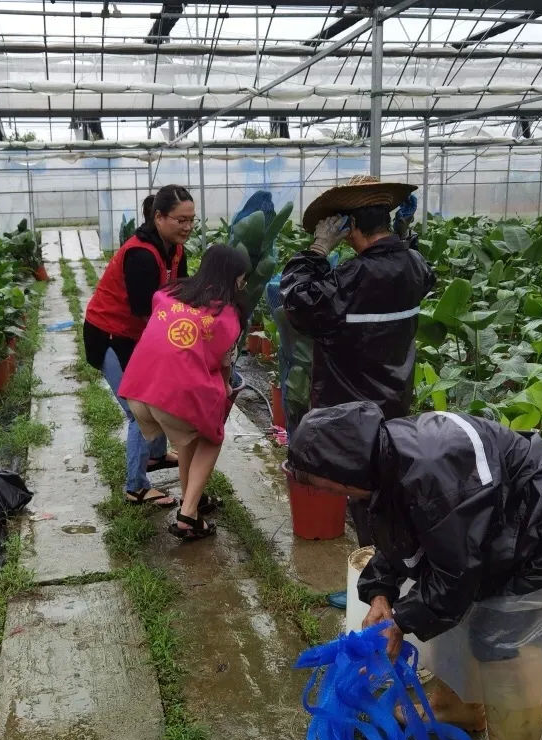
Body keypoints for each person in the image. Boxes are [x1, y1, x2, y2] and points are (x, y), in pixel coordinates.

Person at [286, 401, 542, 740]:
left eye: (324, 484)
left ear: (343, 468)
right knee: (461, 616)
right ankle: (461, 704)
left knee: (502, 640)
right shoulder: (380, 463)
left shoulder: (432, 474)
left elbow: (456, 575)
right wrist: (380, 593)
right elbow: (400, 541)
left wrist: (400, 621)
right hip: (503, 528)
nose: (326, 493)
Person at [280, 174, 437, 567]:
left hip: (352, 406)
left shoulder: (352, 277)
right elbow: (421, 272)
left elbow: (299, 301)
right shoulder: (414, 264)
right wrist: (404, 236)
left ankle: (378, 577)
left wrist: (317, 249)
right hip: (395, 397)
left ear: (349, 226)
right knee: (388, 485)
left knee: (365, 494)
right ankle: (393, 566)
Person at [119, 245, 248, 539]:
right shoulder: (227, 314)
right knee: (212, 436)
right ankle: (188, 515)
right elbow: (225, 366)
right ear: (234, 278)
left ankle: (195, 498)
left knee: (188, 436)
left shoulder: (170, 293)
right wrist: (225, 389)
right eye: (243, 278)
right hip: (172, 396)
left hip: (139, 389)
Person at [83, 185, 195, 508]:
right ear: (159, 217)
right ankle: (135, 486)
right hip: (109, 335)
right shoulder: (141, 256)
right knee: (140, 410)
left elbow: (179, 296)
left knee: (155, 395)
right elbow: (147, 315)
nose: (187, 227)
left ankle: (156, 456)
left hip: (135, 335)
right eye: (180, 220)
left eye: (191, 220)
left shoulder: (175, 249)